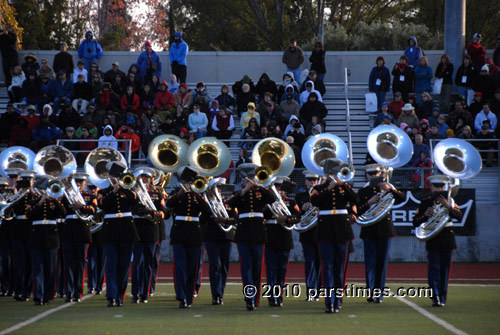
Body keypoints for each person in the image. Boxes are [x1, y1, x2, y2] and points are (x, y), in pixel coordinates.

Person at [310, 158, 358, 313]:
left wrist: (342, 184)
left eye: (335, 172)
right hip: (325, 230)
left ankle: (338, 300)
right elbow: (315, 201)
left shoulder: (345, 187)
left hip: (342, 230)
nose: (333, 175)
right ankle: (329, 301)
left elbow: (355, 199)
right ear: (325, 173)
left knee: (339, 268)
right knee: (327, 267)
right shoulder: (319, 188)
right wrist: (329, 188)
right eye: (330, 172)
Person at [228, 164, 275, 311]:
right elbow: (231, 204)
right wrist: (244, 191)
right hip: (243, 232)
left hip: (259, 232)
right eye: (246, 180)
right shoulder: (239, 193)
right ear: (243, 181)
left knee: (257, 267)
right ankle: (249, 297)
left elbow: (272, 198)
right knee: (246, 267)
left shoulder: (261, 192)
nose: (249, 182)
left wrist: (259, 186)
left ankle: (255, 298)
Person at [357, 164, 404, 303]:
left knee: (382, 263)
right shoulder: (363, 191)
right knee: (370, 263)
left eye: (377, 174)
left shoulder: (388, 188)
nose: (374, 176)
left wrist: (391, 189)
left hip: (385, 229)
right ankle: (371, 292)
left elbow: (402, 198)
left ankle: (379, 293)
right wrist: (368, 202)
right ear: (367, 176)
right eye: (371, 174)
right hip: (369, 230)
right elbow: (357, 211)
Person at [413, 175, 462, 307]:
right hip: (433, 238)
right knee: (434, 267)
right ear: (432, 187)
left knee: (445, 269)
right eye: (437, 187)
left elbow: (459, 216)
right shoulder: (425, 202)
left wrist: (448, 207)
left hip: (447, 238)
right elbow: (415, 222)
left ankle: (442, 296)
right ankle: (435, 295)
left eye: (442, 186)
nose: (439, 189)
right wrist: (425, 215)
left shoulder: (450, 201)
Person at [166, 166, 210, 308]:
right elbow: (169, 204)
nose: (188, 183)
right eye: (186, 181)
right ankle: (181, 296)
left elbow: (207, 211)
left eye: (190, 181)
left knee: (192, 267)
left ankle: (189, 297)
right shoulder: (176, 193)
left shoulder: (198, 195)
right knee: (180, 266)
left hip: (194, 234)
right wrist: (179, 193)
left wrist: (197, 193)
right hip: (179, 233)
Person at [131, 168, 167, 304]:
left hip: (152, 231)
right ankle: (136, 293)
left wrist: (157, 213)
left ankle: (145, 293)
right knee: (137, 264)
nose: (144, 180)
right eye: (142, 177)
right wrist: (143, 210)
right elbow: (132, 209)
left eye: (147, 178)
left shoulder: (157, 195)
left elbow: (164, 211)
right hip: (138, 230)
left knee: (148, 264)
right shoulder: (134, 194)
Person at [27, 184, 66, 306]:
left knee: (50, 269)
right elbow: (30, 215)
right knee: (38, 269)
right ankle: (38, 296)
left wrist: (54, 199)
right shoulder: (33, 202)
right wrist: (40, 202)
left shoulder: (54, 202)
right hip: (37, 238)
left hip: (52, 238)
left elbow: (63, 213)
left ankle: (48, 295)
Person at [60, 173, 96, 302]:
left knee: (80, 264)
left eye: (82, 182)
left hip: (82, 231)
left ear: (85, 183)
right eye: (77, 181)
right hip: (69, 230)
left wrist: (82, 206)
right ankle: (69, 292)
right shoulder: (66, 196)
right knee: (68, 264)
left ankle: (78, 293)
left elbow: (94, 209)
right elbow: (60, 210)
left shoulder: (89, 196)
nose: (79, 183)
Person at [264, 177, 299, 307]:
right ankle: (271, 296)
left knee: (282, 269)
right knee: (271, 268)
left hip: (284, 237)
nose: (278, 190)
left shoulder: (290, 201)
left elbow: (298, 217)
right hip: (270, 236)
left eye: (280, 187)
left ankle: (279, 295)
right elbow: (261, 215)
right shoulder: (267, 202)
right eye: (276, 187)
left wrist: (286, 218)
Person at [202, 185, 235, 305]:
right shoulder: (206, 204)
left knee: (224, 266)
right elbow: (202, 220)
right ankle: (216, 294)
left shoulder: (227, 202)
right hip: (211, 236)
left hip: (226, 236)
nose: (215, 191)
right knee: (215, 265)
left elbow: (235, 218)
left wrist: (225, 220)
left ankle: (221, 292)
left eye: (217, 189)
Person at [10, 172, 39, 302]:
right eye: (26, 181)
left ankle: (27, 290)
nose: (28, 183)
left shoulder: (35, 196)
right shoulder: (16, 196)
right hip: (18, 231)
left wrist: (33, 192)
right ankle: (18, 290)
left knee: (28, 262)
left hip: (30, 232)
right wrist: (16, 193)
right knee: (19, 263)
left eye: (30, 181)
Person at [295, 171, 322, 301]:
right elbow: (296, 216)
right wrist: (302, 209)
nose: (312, 182)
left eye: (314, 180)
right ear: (305, 181)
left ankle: (318, 290)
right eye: (310, 179)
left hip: (320, 232)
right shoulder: (300, 196)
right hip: (307, 233)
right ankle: (311, 291)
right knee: (310, 262)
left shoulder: (322, 194)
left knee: (319, 262)